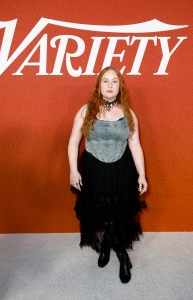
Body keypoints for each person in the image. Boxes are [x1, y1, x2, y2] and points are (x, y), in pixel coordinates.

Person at [68, 66, 148, 284]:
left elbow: (135, 145)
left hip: (121, 170)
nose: (110, 85)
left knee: (113, 212)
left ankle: (112, 250)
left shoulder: (128, 113)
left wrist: (142, 175)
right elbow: (74, 141)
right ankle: (122, 255)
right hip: (94, 170)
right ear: (99, 86)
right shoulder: (86, 110)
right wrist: (73, 170)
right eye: (105, 81)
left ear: (119, 86)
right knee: (104, 212)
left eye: (114, 81)